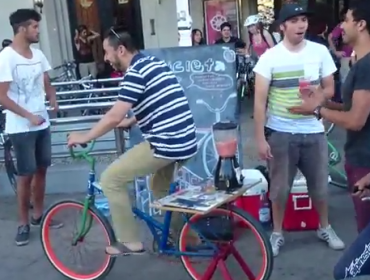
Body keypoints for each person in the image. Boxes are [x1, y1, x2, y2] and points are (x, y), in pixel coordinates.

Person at [67, 28, 198, 256]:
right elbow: (155, 98)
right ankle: (189, 240)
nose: (106, 59)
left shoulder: (135, 72)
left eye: (107, 53)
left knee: (111, 179)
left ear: (121, 50)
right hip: (185, 140)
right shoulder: (152, 63)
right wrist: (133, 120)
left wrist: (84, 136)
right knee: (159, 186)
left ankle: (129, 241)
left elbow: (113, 116)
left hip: (166, 142)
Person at [253, 3, 345, 257]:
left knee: (320, 186)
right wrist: (260, 139)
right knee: (280, 189)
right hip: (280, 132)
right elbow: (259, 101)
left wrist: (316, 98)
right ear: (282, 26)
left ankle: (324, 227)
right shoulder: (269, 58)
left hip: (314, 131)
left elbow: (329, 89)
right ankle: (277, 232)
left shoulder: (319, 51)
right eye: (294, 21)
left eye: (303, 20)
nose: (300, 25)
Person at [288, 0, 370, 236]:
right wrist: (322, 101)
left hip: (365, 163)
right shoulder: (359, 64)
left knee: (366, 240)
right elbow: (351, 107)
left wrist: (316, 111)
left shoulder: (366, 67)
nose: (341, 26)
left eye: (346, 20)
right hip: (359, 158)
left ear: (361, 25)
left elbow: (356, 120)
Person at [0, 9, 62, 246]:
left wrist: (52, 97)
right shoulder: (6, 57)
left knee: (42, 170)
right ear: (22, 28)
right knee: (25, 176)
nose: (38, 31)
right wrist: (28, 115)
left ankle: (39, 215)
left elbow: (46, 80)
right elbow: (2, 97)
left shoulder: (37, 54)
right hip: (21, 127)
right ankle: (23, 223)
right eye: (35, 27)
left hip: (41, 123)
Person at [328, 8, 353, 84]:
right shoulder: (342, 25)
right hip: (346, 56)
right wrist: (335, 52)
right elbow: (330, 37)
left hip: (358, 55)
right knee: (346, 80)